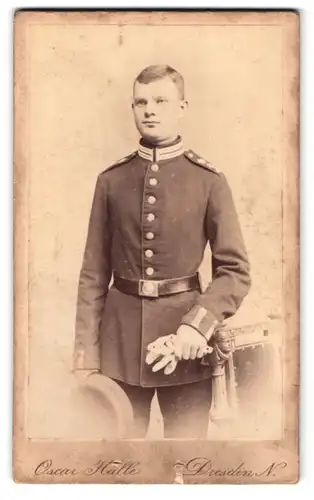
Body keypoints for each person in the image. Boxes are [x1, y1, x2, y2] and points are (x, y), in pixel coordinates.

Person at [73, 64, 251, 439]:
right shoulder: (111, 180)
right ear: (133, 108)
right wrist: (86, 359)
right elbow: (92, 275)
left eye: (160, 101)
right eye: (141, 102)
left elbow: (234, 270)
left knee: (186, 461)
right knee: (120, 465)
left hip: (186, 345)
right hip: (119, 349)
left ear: (182, 108)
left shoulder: (208, 181)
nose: (149, 109)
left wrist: (197, 326)